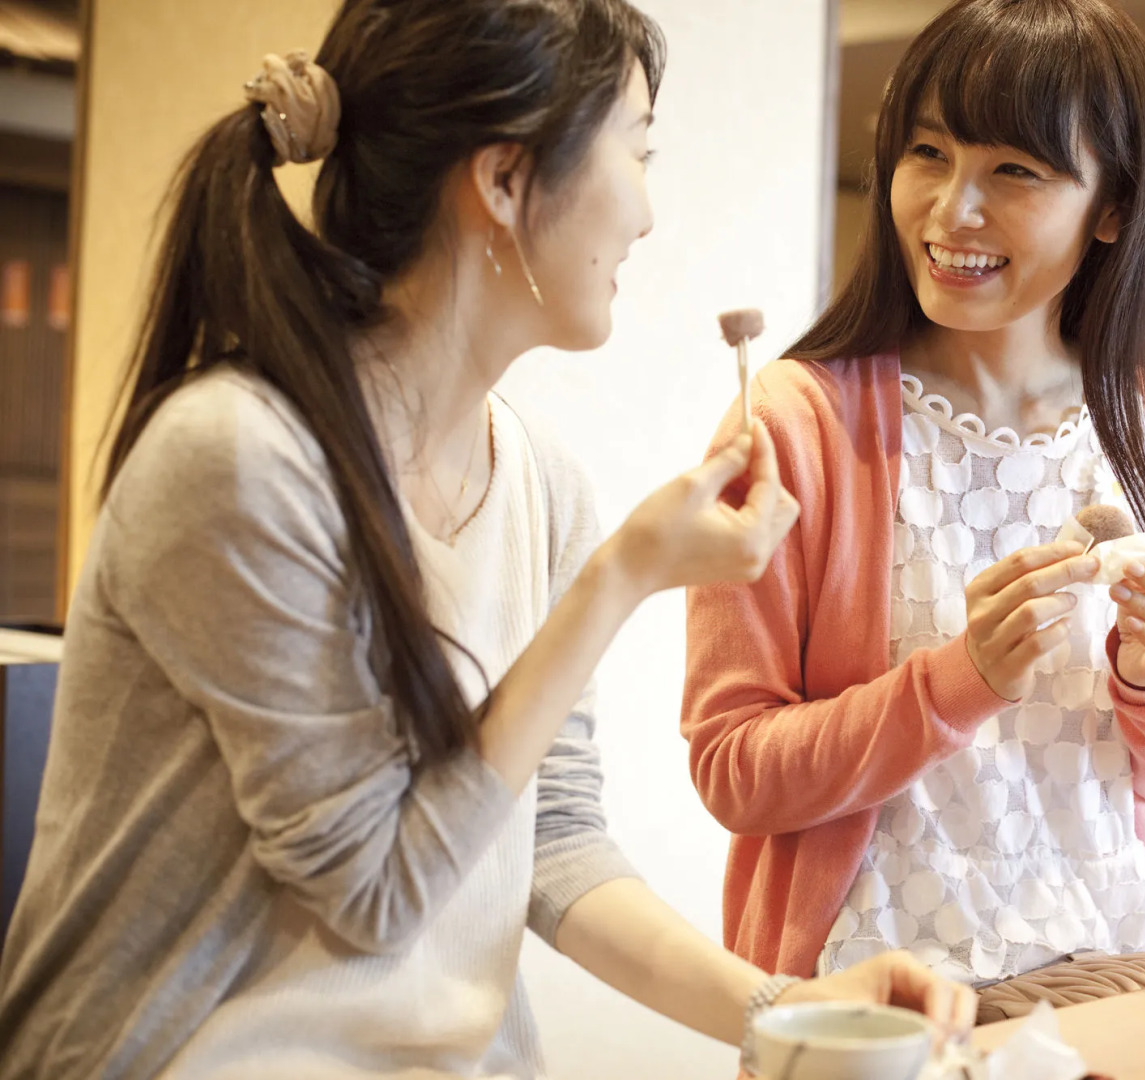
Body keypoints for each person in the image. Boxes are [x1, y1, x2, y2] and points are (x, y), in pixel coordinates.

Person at [0, 2, 974, 1076]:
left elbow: (548, 832)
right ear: (505, 183)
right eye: (636, 151)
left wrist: (785, 1009)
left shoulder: (540, 482)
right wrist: (620, 582)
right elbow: (375, 897)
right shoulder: (240, 460)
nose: (648, 214)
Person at [682, 0, 1145, 987]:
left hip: (1122, 961)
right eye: (929, 153)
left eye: (1013, 171)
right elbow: (733, 769)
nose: (951, 210)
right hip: (871, 991)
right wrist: (960, 679)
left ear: (1113, 207)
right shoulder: (792, 425)